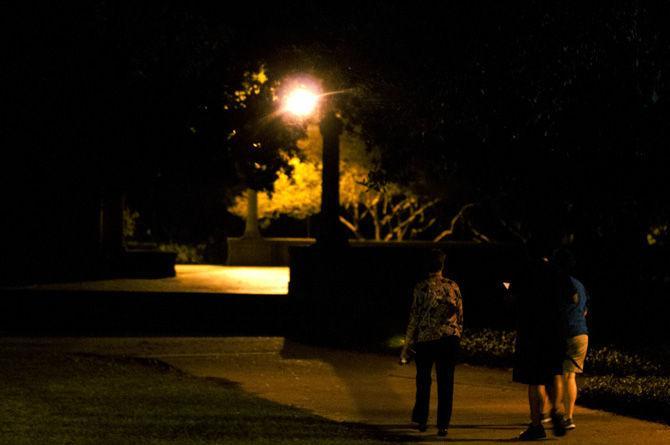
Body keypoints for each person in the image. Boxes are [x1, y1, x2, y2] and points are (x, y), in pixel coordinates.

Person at [508, 254, 574, 441]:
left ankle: (536, 425)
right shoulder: (558, 272)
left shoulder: (524, 270)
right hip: (555, 331)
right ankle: (557, 409)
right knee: (555, 373)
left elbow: (511, 299)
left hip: (531, 331)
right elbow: (574, 298)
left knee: (534, 380)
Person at [400, 249, 463, 438]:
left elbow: (414, 317)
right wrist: (457, 333)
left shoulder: (421, 288)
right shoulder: (453, 286)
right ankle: (443, 424)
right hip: (448, 338)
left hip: (426, 339)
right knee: (446, 382)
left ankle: (421, 419)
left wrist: (406, 345)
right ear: (442, 266)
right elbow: (460, 315)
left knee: (423, 380)